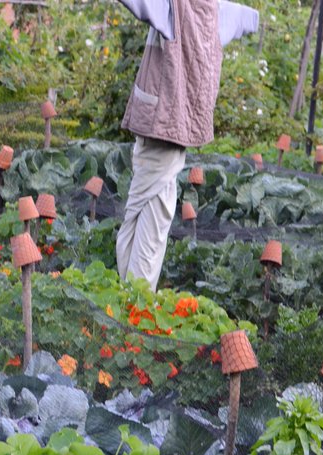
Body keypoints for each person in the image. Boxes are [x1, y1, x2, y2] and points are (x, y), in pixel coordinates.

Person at [114, 0, 259, 290]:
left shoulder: (173, 8)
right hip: (180, 127)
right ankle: (130, 296)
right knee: (148, 212)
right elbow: (248, 17)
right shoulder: (215, 12)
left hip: (161, 124)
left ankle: (134, 303)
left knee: (148, 220)